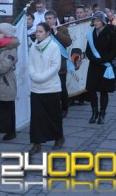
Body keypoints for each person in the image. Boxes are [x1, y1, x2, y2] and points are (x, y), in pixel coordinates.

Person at [28, 22, 64, 154]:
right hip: (36, 88)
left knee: (53, 116)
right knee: (36, 117)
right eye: (36, 31)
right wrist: (33, 75)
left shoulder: (53, 47)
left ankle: (58, 138)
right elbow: (30, 63)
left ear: (47, 33)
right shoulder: (33, 47)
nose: (37, 34)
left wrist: (41, 77)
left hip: (51, 87)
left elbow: (55, 67)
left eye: (40, 31)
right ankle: (36, 143)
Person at [85, 11, 116, 125]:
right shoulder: (91, 33)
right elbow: (88, 50)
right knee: (91, 90)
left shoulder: (110, 33)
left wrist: (104, 60)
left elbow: (115, 50)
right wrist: (93, 59)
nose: (96, 23)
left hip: (105, 66)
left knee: (104, 91)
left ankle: (102, 114)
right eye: (94, 21)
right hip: (94, 65)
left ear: (103, 21)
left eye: (98, 21)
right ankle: (94, 112)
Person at [45, 10, 72, 118]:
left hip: (60, 65)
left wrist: (56, 32)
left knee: (61, 87)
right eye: (46, 19)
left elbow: (68, 42)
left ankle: (64, 107)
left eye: (50, 18)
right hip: (47, 64)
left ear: (55, 19)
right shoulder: (44, 30)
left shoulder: (63, 29)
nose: (48, 21)